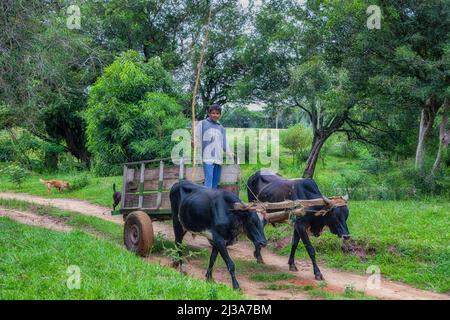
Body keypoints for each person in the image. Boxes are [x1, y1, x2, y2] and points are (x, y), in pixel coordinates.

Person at [193, 104, 233, 189]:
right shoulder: (202, 124)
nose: (215, 115)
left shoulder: (221, 127)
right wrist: (194, 143)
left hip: (218, 158)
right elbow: (196, 137)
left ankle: (213, 201)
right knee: (208, 181)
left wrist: (229, 153)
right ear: (209, 113)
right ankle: (207, 201)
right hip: (207, 158)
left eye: (217, 113)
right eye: (213, 113)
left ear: (220, 115)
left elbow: (224, 142)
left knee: (215, 183)